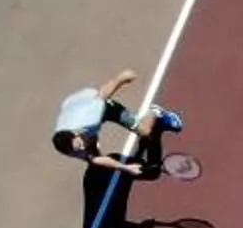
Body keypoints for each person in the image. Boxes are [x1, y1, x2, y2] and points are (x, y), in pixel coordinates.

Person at [51, 68, 182, 168]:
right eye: (77, 150)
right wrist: (125, 168)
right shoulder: (66, 145)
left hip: (104, 108)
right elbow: (90, 157)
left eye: (79, 145)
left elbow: (102, 95)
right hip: (76, 106)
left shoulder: (90, 118)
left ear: (76, 134)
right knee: (93, 157)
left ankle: (155, 112)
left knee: (146, 132)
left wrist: (121, 78)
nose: (81, 148)